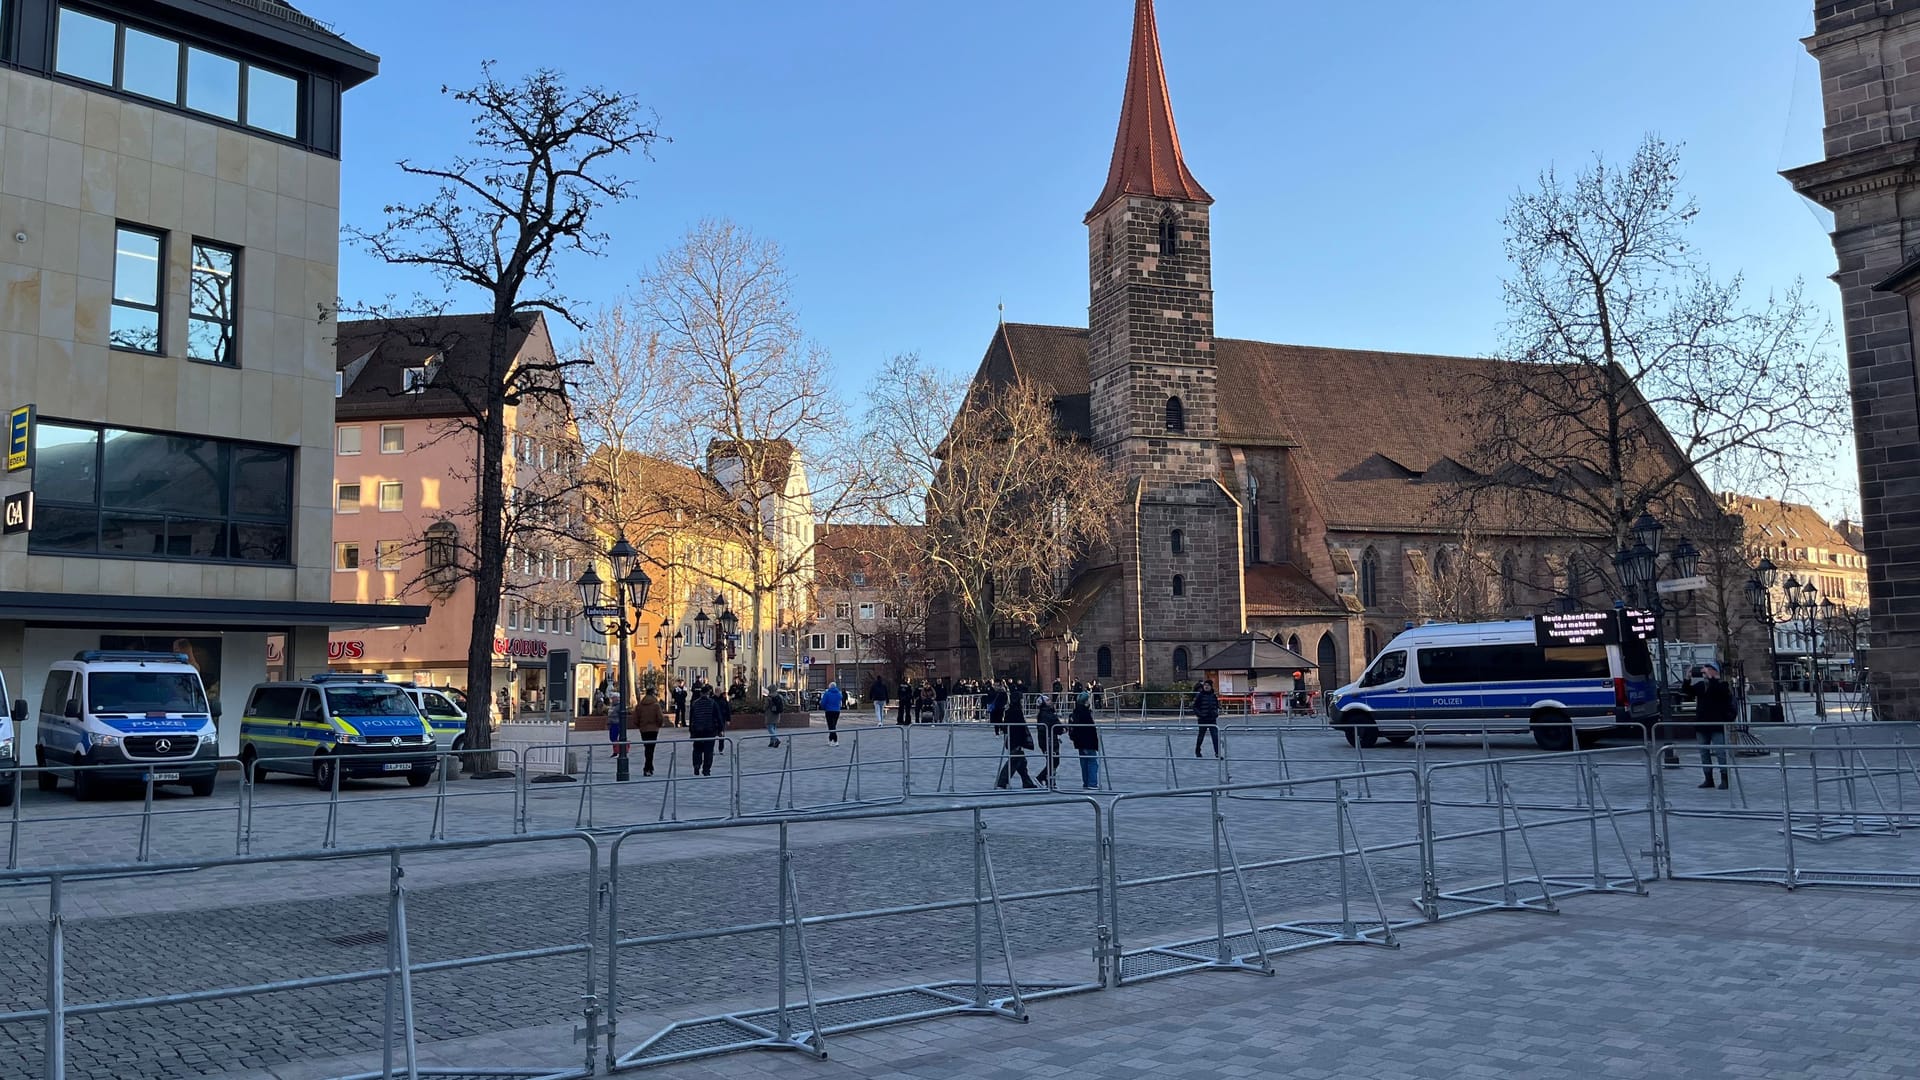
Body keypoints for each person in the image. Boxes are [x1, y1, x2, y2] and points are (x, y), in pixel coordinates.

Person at [1685, 662, 1735, 789]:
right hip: (1702, 724)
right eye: (1704, 671)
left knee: (1720, 752)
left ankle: (1724, 779)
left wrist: (1712, 678)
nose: (1704, 673)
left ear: (1715, 671)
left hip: (1717, 724)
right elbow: (1687, 692)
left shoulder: (1722, 685)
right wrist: (1687, 678)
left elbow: (1717, 692)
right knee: (1704, 753)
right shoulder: (1701, 685)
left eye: (1707, 670)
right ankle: (1708, 779)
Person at [995, 689, 1038, 789]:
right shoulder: (1015, 711)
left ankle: (1027, 782)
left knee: (1021, 762)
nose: (1023, 702)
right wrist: (1022, 741)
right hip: (1015, 740)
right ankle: (1002, 781)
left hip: (1014, 740)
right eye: (1021, 700)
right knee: (1014, 760)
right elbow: (1018, 728)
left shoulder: (1012, 710)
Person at [1068, 689, 1102, 789]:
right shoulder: (1085, 713)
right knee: (1092, 762)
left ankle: (1086, 783)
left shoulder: (1076, 712)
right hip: (1087, 741)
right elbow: (1089, 729)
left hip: (1079, 742)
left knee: (1084, 762)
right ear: (1086, 701)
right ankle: (1092, 784)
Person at [687, 685, 723, 777]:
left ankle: (696, 765)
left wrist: (691, 731)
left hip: (697, 731)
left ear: (700, 693)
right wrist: (720, 729)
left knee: (697, 750)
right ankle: (706, 770)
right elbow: (718, 717)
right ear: (708, 693)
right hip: (709, 731)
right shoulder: (712, 703)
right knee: (708, 751)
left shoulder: (695, 703)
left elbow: (691, 719)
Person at [633, 686, 665, 776]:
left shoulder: (640, 705)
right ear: (653, 694)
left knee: (647, 748)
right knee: (651, 749)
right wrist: (659, 725)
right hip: (653, 729)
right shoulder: (655, 705)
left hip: (643, 730)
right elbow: (660, 717)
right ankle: (648, 767)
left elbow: (635, 718)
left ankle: (649, 767)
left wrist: (640, 726)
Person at [1032, 695, 1062, 786]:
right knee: (1054, 761)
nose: (1050, 702)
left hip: (1051, 739)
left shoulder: (1048, 712)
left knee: (1053, 761)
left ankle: (1050, 780)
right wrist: (1060, 729)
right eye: (1048, 700)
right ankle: (1041, 777)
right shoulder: (1045, 714)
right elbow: (1051, 725)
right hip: (1048, 740)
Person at [1192, 679, 1221, 758]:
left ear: (1211, 687)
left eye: (1208, 685)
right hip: (1203, 719)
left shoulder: (1213, 695)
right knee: (1201, 736)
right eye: (1205, 685)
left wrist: (1216, 713)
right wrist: (1199, 714)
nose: (1206, 687)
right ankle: (1197, 751)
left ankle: (1217, 753)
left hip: (1212, 719)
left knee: (1215, 736)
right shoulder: (1200, 695)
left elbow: (1217, 705)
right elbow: (1194, 706)